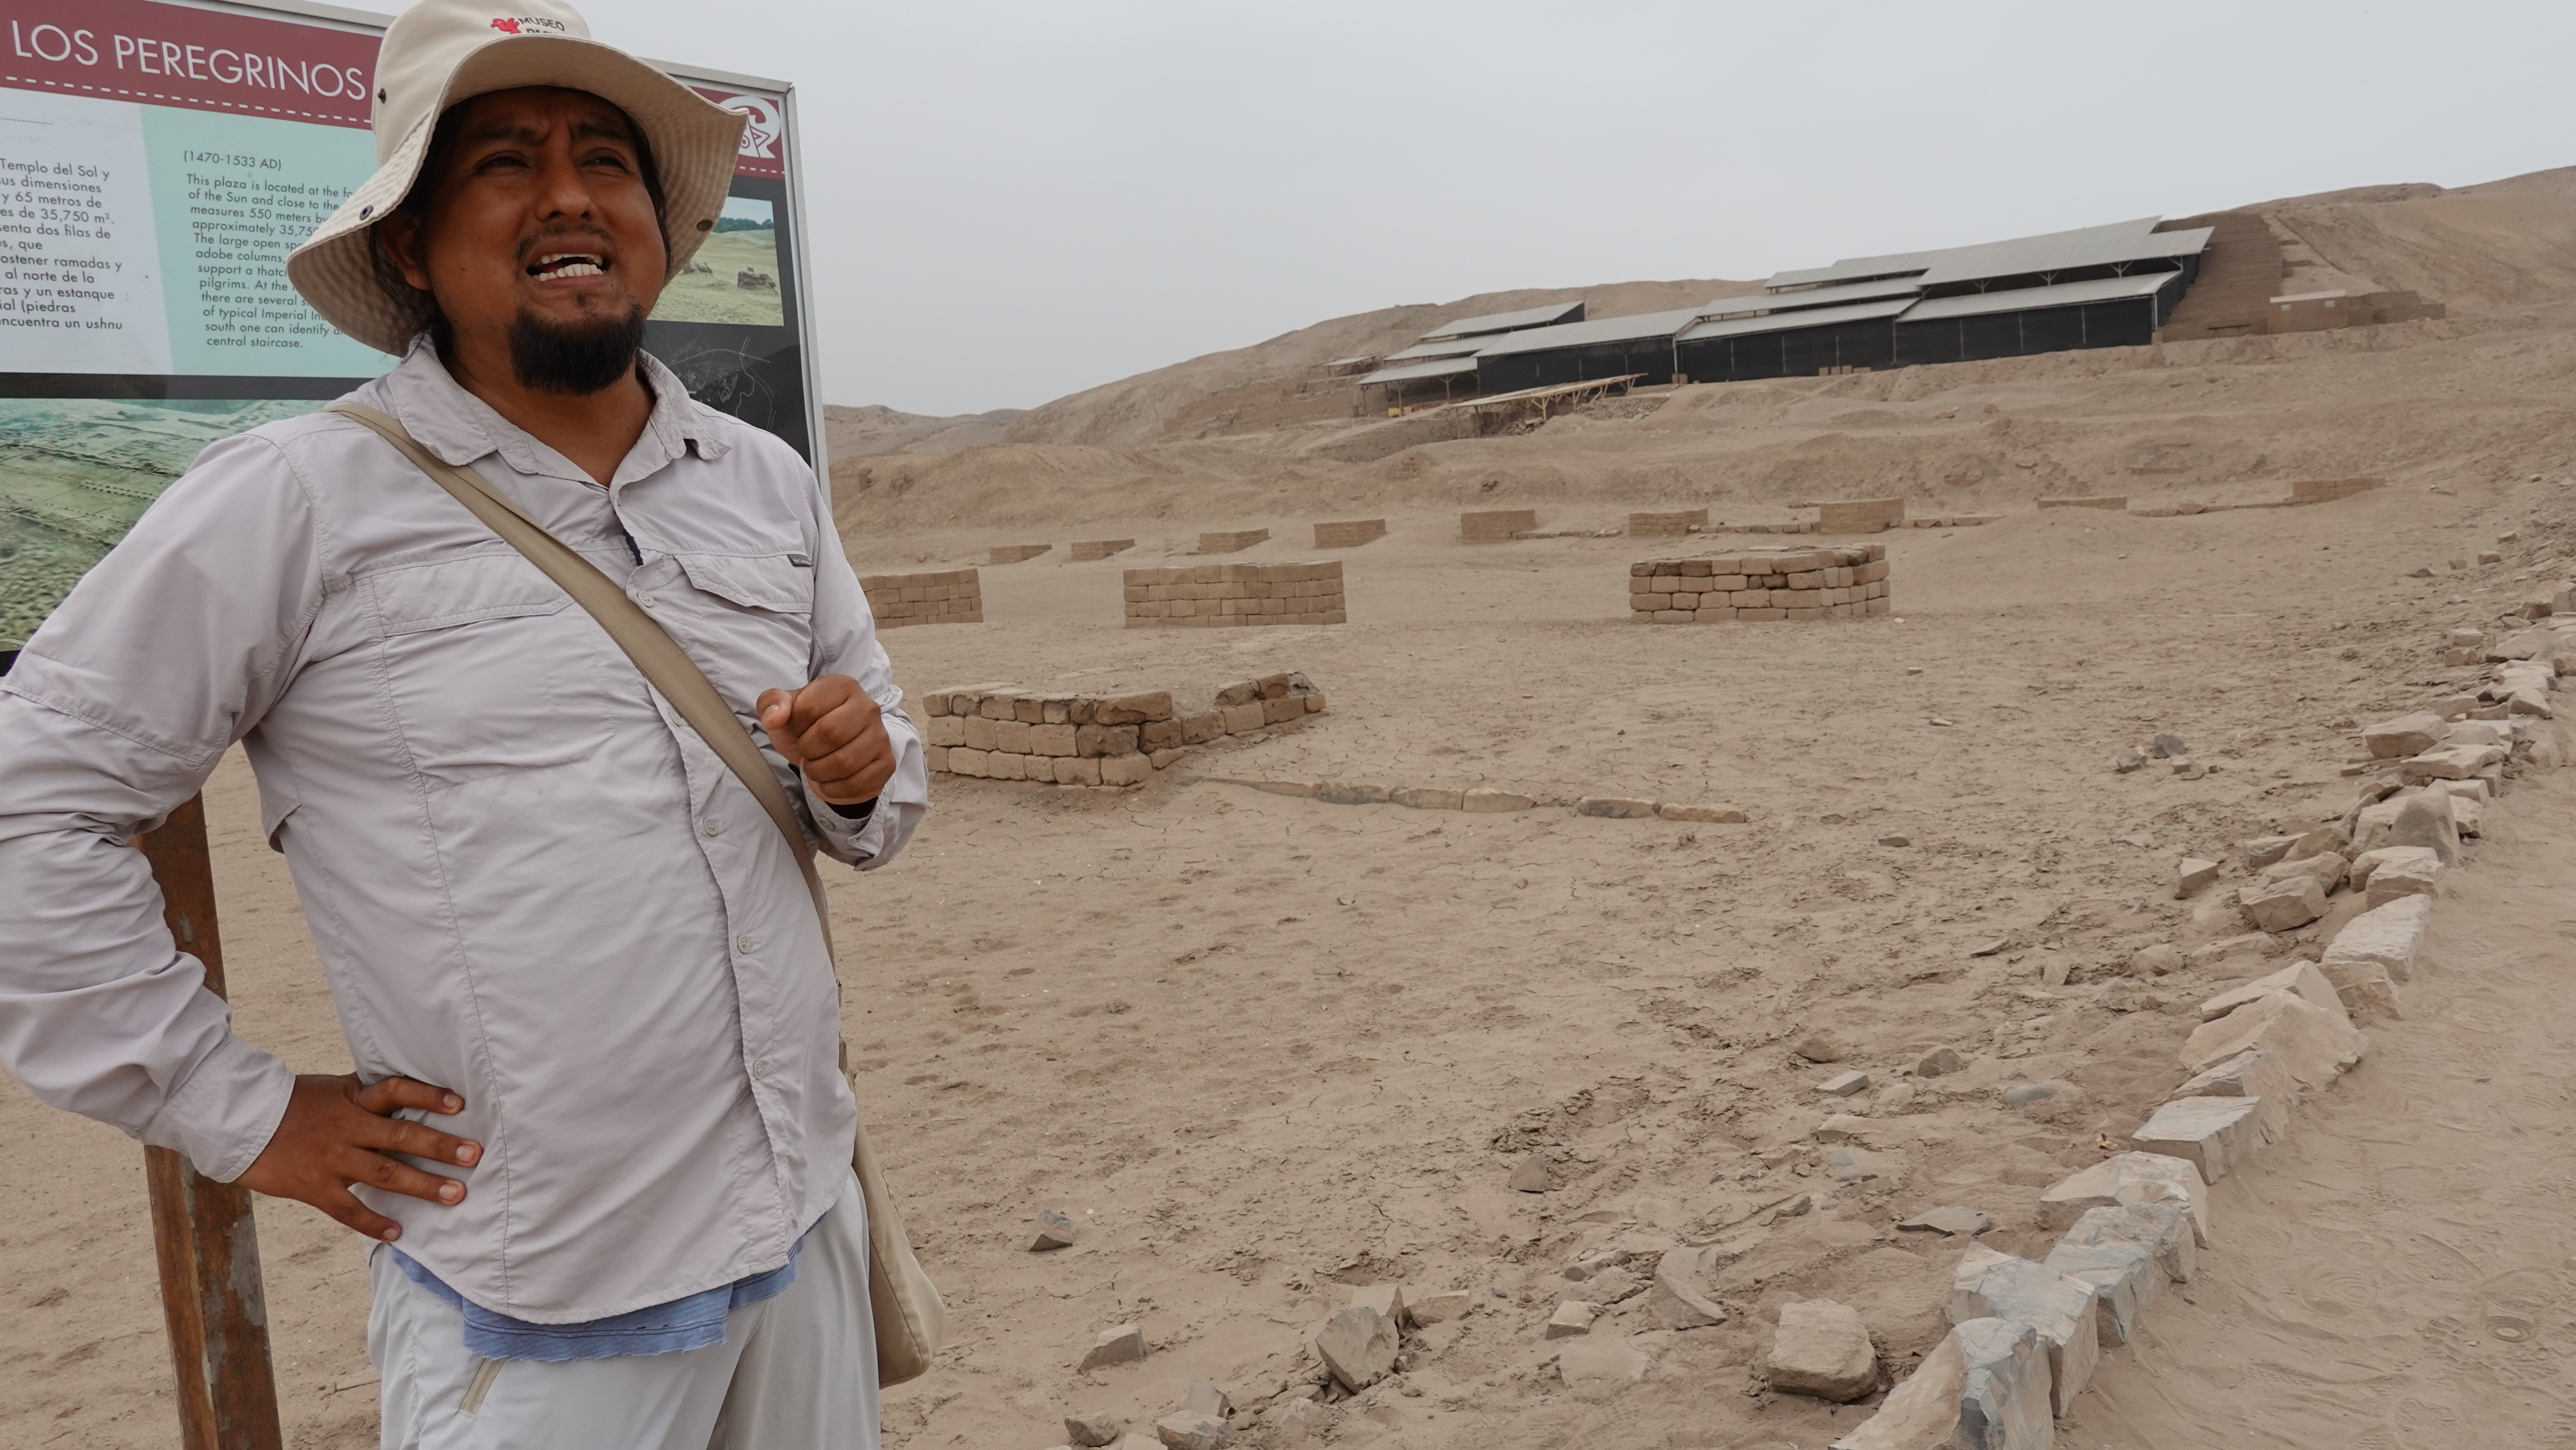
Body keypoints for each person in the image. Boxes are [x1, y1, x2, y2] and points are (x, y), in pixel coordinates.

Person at [0, 1, 923, 1444]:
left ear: (658, 228)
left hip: (804, 1224)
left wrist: (860, 775)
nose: (569, 194)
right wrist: (239, 1109)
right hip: (543, 1302)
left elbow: (884, 775)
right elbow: (32, 804)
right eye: (504, 160)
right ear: (411, 248)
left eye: (606, 159)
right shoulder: (296, 500)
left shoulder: (763, 483)